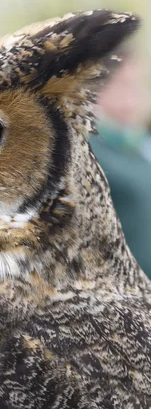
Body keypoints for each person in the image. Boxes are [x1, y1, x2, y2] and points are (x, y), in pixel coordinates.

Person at [90, 51, 151, 277]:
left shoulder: (138, 142)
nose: (134, 95)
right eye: (124, 84)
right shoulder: (90, 149)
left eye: (138, 84)